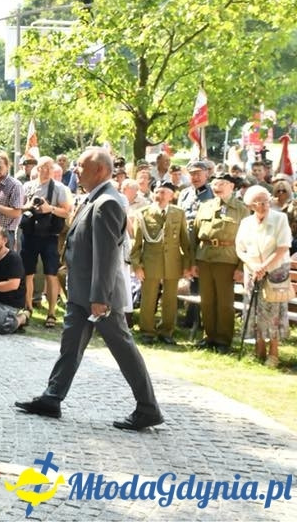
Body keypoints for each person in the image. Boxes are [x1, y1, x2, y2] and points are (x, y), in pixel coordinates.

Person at [15, 148, 163, 431]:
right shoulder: (94, 198)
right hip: (83, 292)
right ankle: (52, 397)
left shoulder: (107, 202)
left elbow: (106, 257)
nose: (76, 170)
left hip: (98, 297)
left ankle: (148, 407)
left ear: (101, 171)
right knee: (70, 346)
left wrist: (99, 298)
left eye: (82, 166)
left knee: (123, 349)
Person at [235, 186, 292, 368]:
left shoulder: (280, 218)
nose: (263, 205)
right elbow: (240, 249)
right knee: (255, 310)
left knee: (274, 312)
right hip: (253, 271)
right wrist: (254, 267)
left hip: (275, 272)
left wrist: (265, 267)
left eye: (266, 201)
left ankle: (273, 353)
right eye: (259, 202)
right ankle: (258, 349)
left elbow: (283, 247)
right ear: (251, 205)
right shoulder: (246, 223)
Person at [191, 173, 248, 353]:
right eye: (215, 183)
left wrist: (241, 267)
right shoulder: (205, 206)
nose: (218, 186)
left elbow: (247, 239)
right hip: (205, 257)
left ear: (232, 186)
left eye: (222, 183)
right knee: (206, 300)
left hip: (227, 259)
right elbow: (194, 235)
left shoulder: (241, 209)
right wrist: (192, 262)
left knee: (224, 302)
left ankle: (223, 340)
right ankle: (209, 336)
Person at [130, 182, 192, 344]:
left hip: (173, 262)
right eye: (157, 192)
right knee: (148, 298)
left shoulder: (179, 213)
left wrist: (187, 265)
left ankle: (166, 332)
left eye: (164, 192)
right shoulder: (143, 213)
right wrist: (137, 265)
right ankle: (147, 331)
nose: (160, 195)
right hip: (150, 262)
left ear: (172, 196)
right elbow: (136, 243)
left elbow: (185, 241)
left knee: (170, 300)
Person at [19, 156, 73, 327]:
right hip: (29, 234)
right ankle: (28, 308)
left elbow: (66, 212)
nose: (45, 170)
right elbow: (20, 207)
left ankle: (51, 313)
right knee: (28, 273)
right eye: (42, 167)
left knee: (51, 274)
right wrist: (30, 206)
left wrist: (49, 208)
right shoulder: (28, 186)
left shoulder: (59, 188)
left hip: (49, 236)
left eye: (49, 167)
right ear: (38, 169)